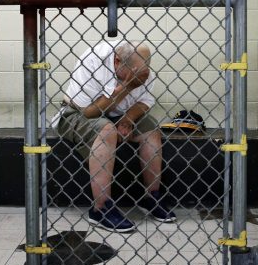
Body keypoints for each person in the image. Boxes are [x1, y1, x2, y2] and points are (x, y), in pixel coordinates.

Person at [53, 40, 176, 232]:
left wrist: (128, 119)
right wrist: (127, 87)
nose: (140, 79)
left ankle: (152, 196)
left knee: (151, 128)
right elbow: (88, 113)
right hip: (76, 113)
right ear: (117, 61)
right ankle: (100, 209)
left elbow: (145, 102)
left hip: (119, 113)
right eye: (134, 76)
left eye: (141, 76)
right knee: (107, 130)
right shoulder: (92, 61)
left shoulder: (141, 68)